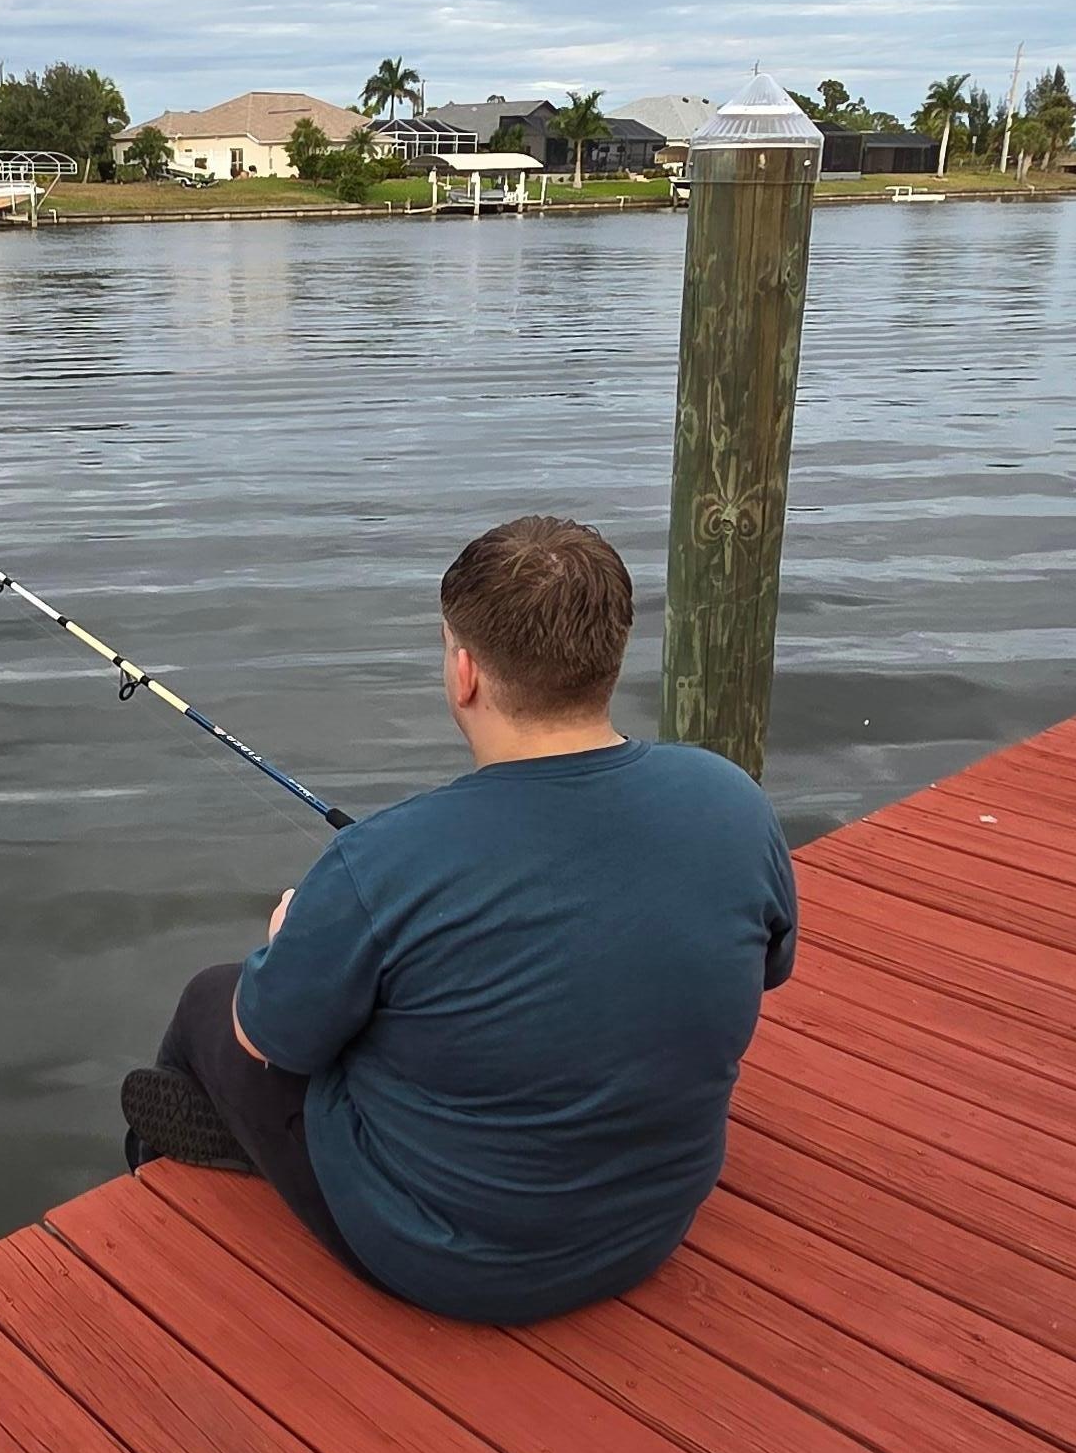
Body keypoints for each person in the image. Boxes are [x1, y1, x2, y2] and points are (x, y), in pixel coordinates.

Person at [120, 514, 797, 1323]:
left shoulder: (380, 862)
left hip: (446, 1263)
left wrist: (290, 942)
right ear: (610, 660)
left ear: (465, 672)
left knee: (213, 999)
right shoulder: (733, 800)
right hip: (651, 1228)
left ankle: (159, 1182)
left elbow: (269, 1039)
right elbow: (767, 966)